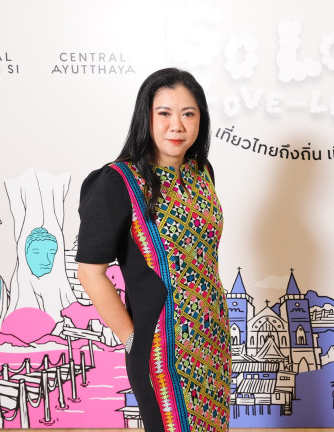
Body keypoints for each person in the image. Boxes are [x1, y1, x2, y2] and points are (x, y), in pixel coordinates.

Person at [76, 68, 230, 432]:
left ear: (201, 120)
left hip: (212, 340)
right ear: (145, 117)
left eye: (188, 113)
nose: (177, 125)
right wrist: (132, 338)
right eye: (164, 113)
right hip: (163, 348)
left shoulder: (201, 172)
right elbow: (90, 272)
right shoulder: (117, 182)